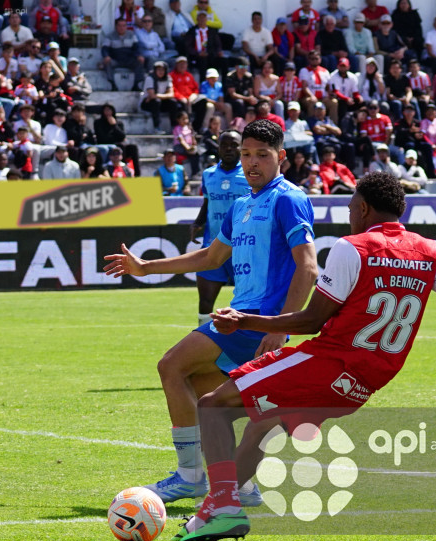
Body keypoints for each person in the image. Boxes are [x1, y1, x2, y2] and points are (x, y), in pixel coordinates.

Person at [148, 170, 436, 541]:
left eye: (349, 208)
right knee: (260, 429)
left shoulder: (352, 247)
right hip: (364, 383)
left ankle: (222, 507)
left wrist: (246, 320)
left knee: (213, 407)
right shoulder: (432, 251)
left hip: (327, 363)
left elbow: (311, 319)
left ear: (362, 208)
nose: (348, 216)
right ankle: (214, 510)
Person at [103, 120, 318, 507]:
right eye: (248, 154)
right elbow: (210, 257)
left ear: (281, 157)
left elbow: (308, 268)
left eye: (262, 155)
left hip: (257, 320)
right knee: (207, 395)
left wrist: (280, 327)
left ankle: (189, 477)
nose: (252, 163)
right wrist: (146, 268)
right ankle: (243, 483)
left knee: (171, 366)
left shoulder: (288, 199)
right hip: (239, 317)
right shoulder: (241, 205)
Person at [189, 131, 249, 326]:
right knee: (205, 302)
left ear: (242, 148)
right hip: (212, 246)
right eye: (225, 145)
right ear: (218, 148)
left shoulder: (250, 173)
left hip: (243, 248)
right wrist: (198, 222)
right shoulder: (208, 175)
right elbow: (208, 202)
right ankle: (200, 341)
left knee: (246, 303)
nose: (229, 149)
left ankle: (248, 344)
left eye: (234, 145)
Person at [101, 17, 145, 92]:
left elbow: (137, 47)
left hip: (129, 59)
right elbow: (104, 48)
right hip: (116, 59)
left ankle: (136, 84)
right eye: (119, 25)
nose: (122, 28)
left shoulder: (131, 35)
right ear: (116, 26)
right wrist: (106, 56)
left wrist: (139, 55)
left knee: (139, 62)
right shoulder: (110, 36)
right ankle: (113, 85)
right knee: (108, 62)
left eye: (124, 25)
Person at [140, 61, 178, 134]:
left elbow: (171, 94)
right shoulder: (149, 78)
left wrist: (157, 96)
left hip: (160, 102)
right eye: (158, 69)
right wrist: (162, 96)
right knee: (156, 102)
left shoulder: (168, 78)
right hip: (146, 103)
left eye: (162, 70)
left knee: (173, 102)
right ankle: (157, 127)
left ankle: (174, 127)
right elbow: (151, 95)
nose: (161, 72)